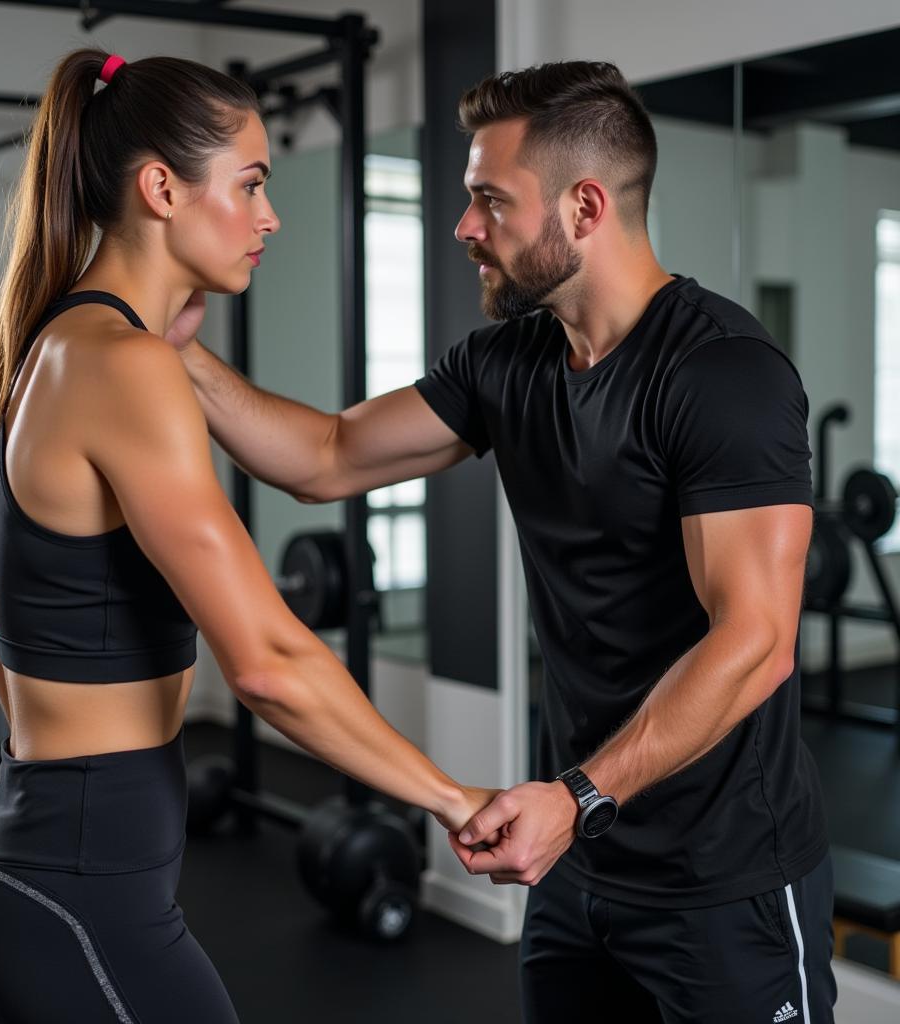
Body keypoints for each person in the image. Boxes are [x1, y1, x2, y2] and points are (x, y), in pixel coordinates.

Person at [168, 61, 835, 1023]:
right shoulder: (507, 361)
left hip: (723, 878)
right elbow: (326, 453)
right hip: (580, 871)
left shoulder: (723, 373)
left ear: (586, 206)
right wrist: (175, 346)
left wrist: (578, 795)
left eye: (490, 200)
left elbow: (757, 640)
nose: (464, 227)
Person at [0, 49, 496, 1024]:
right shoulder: (121, 367)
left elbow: (5, 664)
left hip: (33, 866)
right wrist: (455, 799)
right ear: (161, 187)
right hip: (84, 894)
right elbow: (270, 663)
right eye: (248, 183)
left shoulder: (51, 349)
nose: (268, 215)